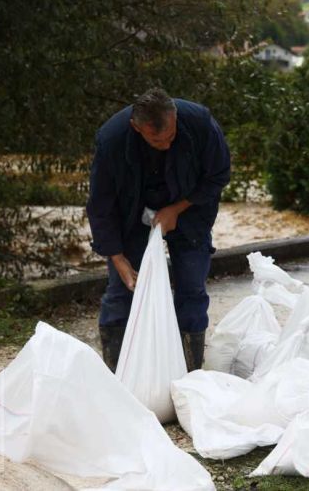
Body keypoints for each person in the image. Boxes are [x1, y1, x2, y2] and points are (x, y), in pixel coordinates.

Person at [86, 88, 230, 372]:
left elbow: (219, 175)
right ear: (136, 127)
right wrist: (117, 258)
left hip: (190, 211)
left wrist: (177, 209)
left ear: (175, 117)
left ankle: (189, 376)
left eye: (172, 137)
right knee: (122, 290)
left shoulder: (200, 123)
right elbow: (101, 205)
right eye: (156, 140)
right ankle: (118, 376)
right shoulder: (112, 140)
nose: (165, 145)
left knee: (192, 288)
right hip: (132, 213)